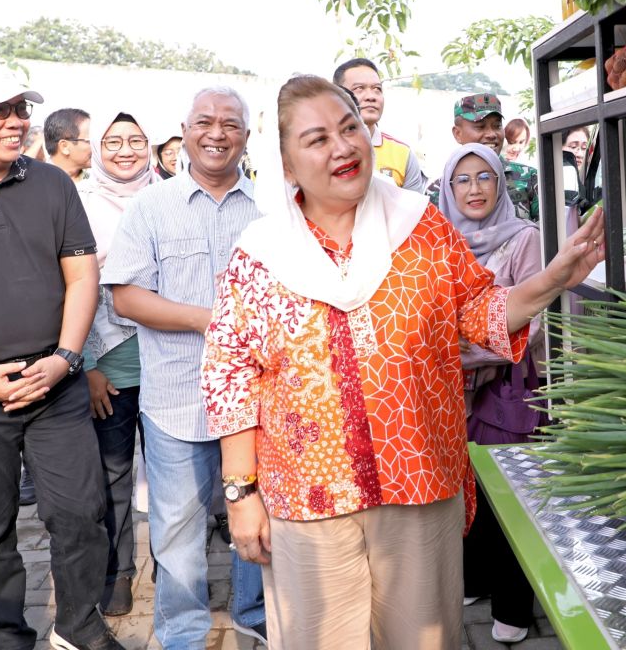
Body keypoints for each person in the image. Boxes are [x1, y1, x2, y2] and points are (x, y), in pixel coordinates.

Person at [199, 75, 604, 650]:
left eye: (349, 128)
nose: (342, 147)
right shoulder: (260, 255)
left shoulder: (421, 228)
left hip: (419, 485)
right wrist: (240, 496)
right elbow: (230, 376)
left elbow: (482, 310)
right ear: (287, 165)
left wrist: (552, 279)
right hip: (309, 498)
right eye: (317, 139)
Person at [0, 66, 121, 650]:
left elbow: (82, 274)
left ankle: (79, 626)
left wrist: (65, 357)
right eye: (0, 109)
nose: (17, 121)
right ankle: (5, 635)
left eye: (22, 108)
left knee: (82, 513)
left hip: (54, 386)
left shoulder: (52, 184)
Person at [103, 87, 266, 649]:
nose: (217, 133)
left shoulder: (272, 210)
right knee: (176, 533)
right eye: (205, 122)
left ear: (247, 135)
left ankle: (256, 617)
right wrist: (207, 319)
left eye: (230, 124)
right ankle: (183, 635)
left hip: (258, 402)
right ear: (184, 130)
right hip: (178, 398)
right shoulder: (152, 206)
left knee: (260, 518)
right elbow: (125, 297)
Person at [436, 144, 543, 645]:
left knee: (508, 500)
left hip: (507, 389)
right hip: (448, 393)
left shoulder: (524, 239)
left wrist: (467, 351)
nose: (474, 188)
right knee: (464, 491)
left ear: (501, 183)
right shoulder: (435, 242)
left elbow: (536, 320)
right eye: (463, 180)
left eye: (484, 177)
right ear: (448, 189)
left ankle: (514, 606)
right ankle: (474, 580)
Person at [78, 112, 157, 617]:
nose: (124, 150)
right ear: (97, 148)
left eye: (135, 140)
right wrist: (85, 365)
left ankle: (176, 572)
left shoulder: (171, 196)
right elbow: (68, 283)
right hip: (110, 365)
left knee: (180, 479)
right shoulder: (78, 202)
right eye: (113, 141)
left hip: (171, 362)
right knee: (113, 474)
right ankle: (119, 571)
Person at [428, 94, 540, 222]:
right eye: (480, 127)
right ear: (458, 134)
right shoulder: (437, 191)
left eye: (497, 126)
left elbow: (546, 234)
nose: (492, 134)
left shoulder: (529, 178)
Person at [333, 58, 427, 193]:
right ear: (337, 95)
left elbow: (415, 211)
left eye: (377, 89)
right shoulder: (323, 150)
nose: (371, 96)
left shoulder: (402, 154)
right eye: (359, 88)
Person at [44, 107, 93, 180]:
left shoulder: (97, 181)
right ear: (64, 147)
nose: (96, 146)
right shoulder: (37, 181)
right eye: (90, 141)